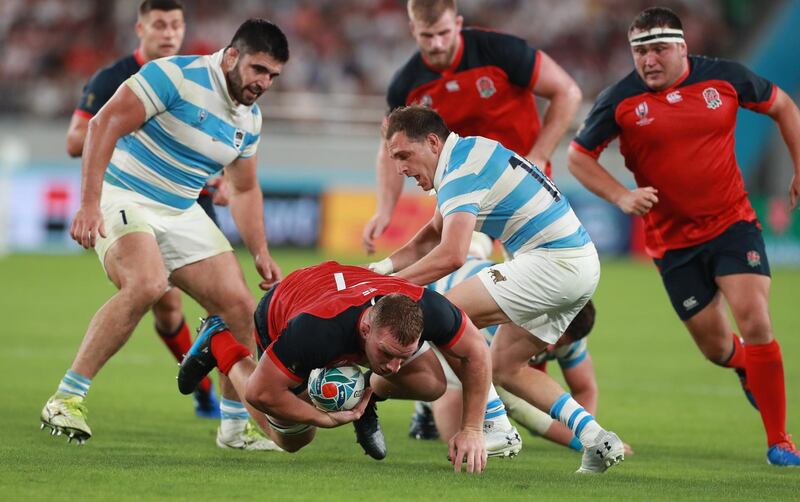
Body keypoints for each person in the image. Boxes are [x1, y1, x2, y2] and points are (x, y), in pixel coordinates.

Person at [39, 18, 287, 453]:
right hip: (125, 195)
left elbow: (245, 188)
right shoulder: (175, 75)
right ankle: (66, 398)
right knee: (148, 284)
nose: (263, 82)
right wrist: (90, 203)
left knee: (242, 309)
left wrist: (261, 252)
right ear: (232, 56)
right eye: (258, 69)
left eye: (272, 75)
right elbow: (102, 126)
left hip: (180, 210)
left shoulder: (251, 118)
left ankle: (233, 429)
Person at [567, 7, 800, 466]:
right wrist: (620, 196)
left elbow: (783, 106)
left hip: (733, 225)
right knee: (716, 348)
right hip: (673, 244)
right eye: (639, 52)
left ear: (681, 47)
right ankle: (745, 367)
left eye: (657, 50)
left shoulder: (725, 79)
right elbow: (579, 157)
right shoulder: (620, 100)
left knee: (754, 320)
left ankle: (779, 441)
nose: (648, 60)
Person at [372, 105, 626, 474]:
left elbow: (452, 255)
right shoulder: (466, 154)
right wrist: (382, 269)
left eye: (403, 155)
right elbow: (430, 237)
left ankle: (496, 425)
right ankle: (597, 439)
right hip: (579, 265)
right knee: (506, 366)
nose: (399, 168)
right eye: (394, 158)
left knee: (437, 317)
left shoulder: (460, 173)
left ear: (431, 142)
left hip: (553, 262)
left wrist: (393, 288)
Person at [176, 261, 492, 474]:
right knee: (292, 440)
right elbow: (261, 392)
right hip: (285, 307)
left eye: (403, 355)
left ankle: (365, 401)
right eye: (387, 353)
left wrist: (472, 429)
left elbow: (476, 352)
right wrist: (323, 418)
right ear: (367, 330)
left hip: (342, 293)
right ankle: (218, 342)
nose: (395, 367)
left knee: (431, 384)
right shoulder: (315, 331)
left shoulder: (429, 307)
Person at [64, 0, 221, 420]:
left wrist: (219, 175)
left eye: (175, 25)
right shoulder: (115, 78)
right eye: (160, 25)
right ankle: (204, 389)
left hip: (195, 203)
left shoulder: (197, 78)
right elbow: (77, 138)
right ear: (140, 28)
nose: (168, 33)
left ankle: (241, 409)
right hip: (138, 197)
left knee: (224, 304)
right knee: (166, 304)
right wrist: (133, 127)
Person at [362, 0, 582, 254]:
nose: (437, 44)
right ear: (413, 30)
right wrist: (385, 211)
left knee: (546, 275)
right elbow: (390, 146)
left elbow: (568, 92)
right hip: (465, 185)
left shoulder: (499, 50)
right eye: (427, 35)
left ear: (458, 24)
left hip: (521, 178)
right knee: (463, 258)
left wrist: (539, 156)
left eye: (443, 33)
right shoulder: (406, 84)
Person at [409, 234, 633, 456]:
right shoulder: (499, 324)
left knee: (496, 392)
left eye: (558, 342)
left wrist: (580, 433)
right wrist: (583, 440)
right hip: (441, 299)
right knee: (457, 430)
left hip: (477, 275)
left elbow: (585, 388)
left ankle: (480, 241)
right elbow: (512, 400)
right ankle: (425, 405)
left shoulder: (569, 331)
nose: (550, 348)